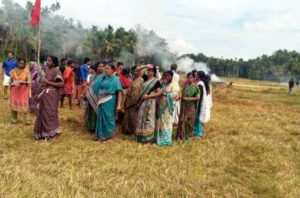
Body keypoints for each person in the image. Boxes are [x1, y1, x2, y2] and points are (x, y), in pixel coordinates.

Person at [34, 56, 64, 140]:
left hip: (52, 95)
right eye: (47, 60)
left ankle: (53, 134)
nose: (47, 62)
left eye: (49, 60)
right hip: (45, 95)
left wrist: (48, 82)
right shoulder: (47, 70)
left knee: (50, 113)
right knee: (43, 113)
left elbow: (61, 84)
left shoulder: (56, 71)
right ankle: (44, 133)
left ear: (54, 62)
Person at [95, 64, 122, 141]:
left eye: (108, 68)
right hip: (102, 100)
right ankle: (102, 136)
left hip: (110, 100)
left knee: (109, 118)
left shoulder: (116, 79)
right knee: (102, 117)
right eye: (105, 68)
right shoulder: (104, 79)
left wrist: (119, 105)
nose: (106, 70)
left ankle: (111, 136)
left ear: (113, 70)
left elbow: (119, 91)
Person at [136, 65, 161, 143]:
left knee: (148, 119)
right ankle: (141, 137)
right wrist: (146, 65)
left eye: (151, 70)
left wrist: (149, 96)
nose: (149, 72)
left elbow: (159, 93)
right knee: (141, 117)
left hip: (150, 103)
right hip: (142, 101)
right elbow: (137, 70)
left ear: (154, 72)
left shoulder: (156, 81)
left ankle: (149, 138)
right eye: (148, 70)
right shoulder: (144, 78)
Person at [122, 65, 147, 135]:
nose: (135, 73)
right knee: (128, 116)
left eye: (137, 71)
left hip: (134, 101)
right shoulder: (133, 78)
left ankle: (135, 131)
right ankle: (127, 130)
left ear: (140, 72)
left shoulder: (140, 80)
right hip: (129, 100)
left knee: (134, 117)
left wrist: (135, 102)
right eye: (134, 71)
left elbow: (138, 92)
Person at [177, 72, 201, 141]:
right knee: (182, 120)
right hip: (184, 106)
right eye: (188, 77)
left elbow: (198, 98)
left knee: (189, 121)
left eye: (191, 77)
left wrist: (188, 99)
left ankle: (188, 136)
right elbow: (181, 93)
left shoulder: (196, 87)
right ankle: (181, 135)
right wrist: (179, 96)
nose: (190, 79)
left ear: (194, 78)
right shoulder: (185, 86)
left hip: (191, 107)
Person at [84, 62, 105, 132]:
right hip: (92, 96)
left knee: (98, 112)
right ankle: (91, 127)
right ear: (96, 67)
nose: (101, 68)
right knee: (91, 111)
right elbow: (89, 85)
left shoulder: (105, 76)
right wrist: (84, 93)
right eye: (99, 66)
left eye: (102, 66)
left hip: (100, 97)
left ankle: (98, 127)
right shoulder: (92, 76)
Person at [9, 58, 31, 124]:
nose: (21, 65)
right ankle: (14, 118)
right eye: (20, 63)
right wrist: (11, 84)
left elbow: (29, 81)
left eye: (23, 63)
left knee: (25, 105)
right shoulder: (13, 71)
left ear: (24, 64)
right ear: (17, 63)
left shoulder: (27, 71)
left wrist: (24, 83)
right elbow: (10, 80)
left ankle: (27, 120)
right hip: (15, 90)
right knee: (14, 104)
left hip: (23, 91)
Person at [156, 70, 175, 146]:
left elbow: (176, 95)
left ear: (172, 77)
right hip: (161, 105)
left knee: (166, 122)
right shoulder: (164, 84)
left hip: (167, 106)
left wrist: (167, 95)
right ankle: (160, 137)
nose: (166, 77)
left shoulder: (174, 85)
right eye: (165, 76)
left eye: (168, 76)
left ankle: (166, 140)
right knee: (161, 122)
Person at [194, 71, 212, 138]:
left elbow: (199, 95)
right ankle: (196, 132)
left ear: (198, 76)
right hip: (203, 102)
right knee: (198, 118)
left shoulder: (200, 84)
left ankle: (198, 133)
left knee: (199, 118)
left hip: (200, 103)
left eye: (196, 75)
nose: (195, 76)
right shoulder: (204, 83)